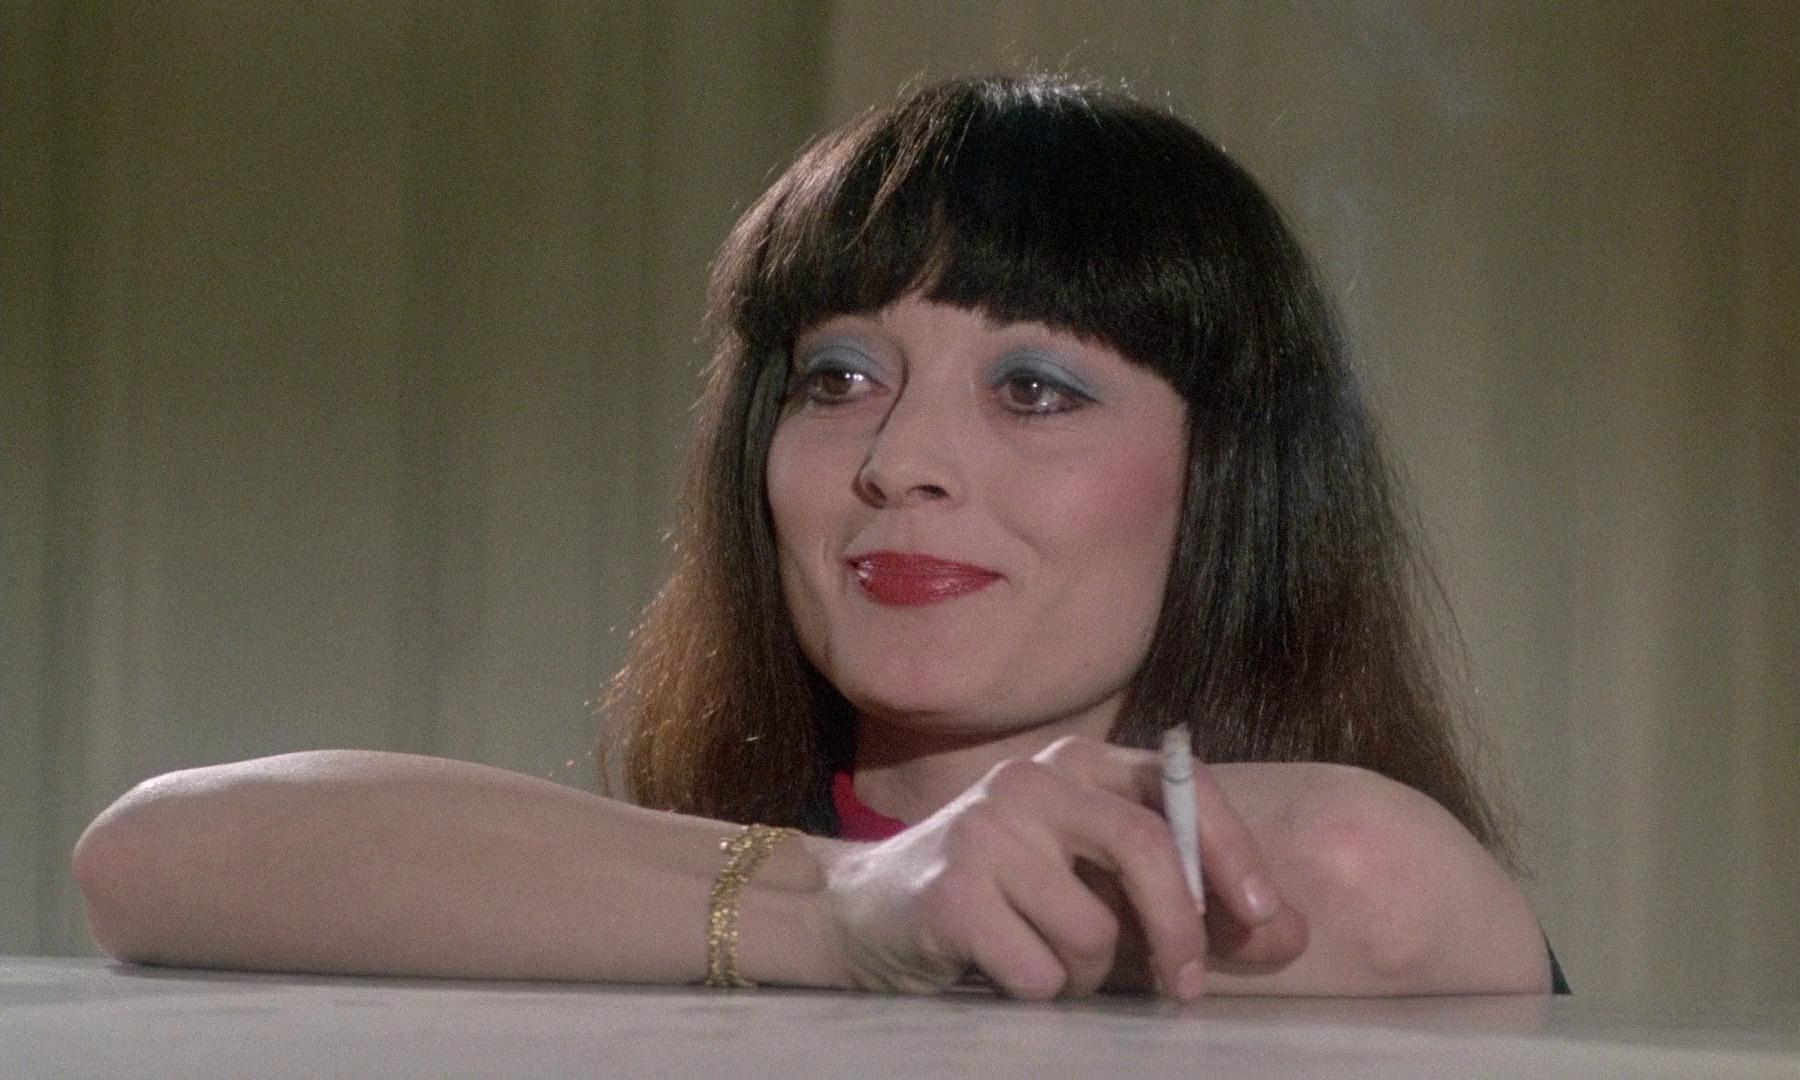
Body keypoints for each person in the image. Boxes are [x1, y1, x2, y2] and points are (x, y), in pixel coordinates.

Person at [72, 74, 1557, 1000]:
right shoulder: (733, 893)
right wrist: (842, 907)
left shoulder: (1351, 866)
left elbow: (1365, 871)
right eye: (839, 379)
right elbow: (156, 857)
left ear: (1228, 479)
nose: (899, 462)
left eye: (1035, 389)